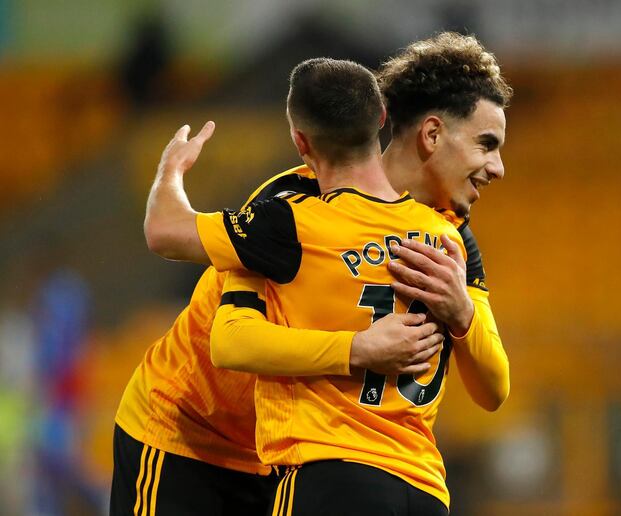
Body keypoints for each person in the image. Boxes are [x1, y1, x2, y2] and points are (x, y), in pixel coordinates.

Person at [117, 32, 510, 514]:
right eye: (486, 145)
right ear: (431, 134)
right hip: (186, 429)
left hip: (289, 460)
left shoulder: (450, 240)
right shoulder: (294, 205)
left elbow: (493, 388)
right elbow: (232, 339)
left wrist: (464, 312)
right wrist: (358, 349)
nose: (499, 168)